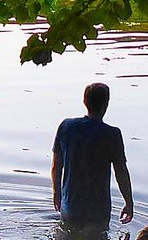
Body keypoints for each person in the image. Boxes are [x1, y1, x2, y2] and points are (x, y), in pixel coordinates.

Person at [51, 83, 133, 226]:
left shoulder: (66, 126)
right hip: (98, 209)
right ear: (106, 104)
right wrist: (128, 202)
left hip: (70, 204)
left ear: (84, 101)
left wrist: (56, 192)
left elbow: (56, 166)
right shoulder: (112, 134)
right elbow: (121, 172)